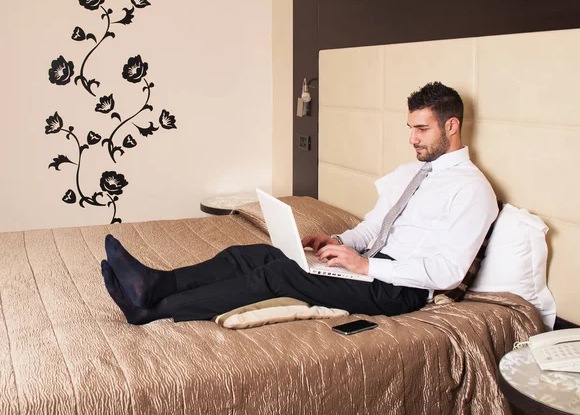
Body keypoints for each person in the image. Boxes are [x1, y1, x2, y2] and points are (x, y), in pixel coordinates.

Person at [101, 81, 498, 325]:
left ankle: (153, 310)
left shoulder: (472, 190)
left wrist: (364, 265)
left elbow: (446, 273)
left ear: (451, 126)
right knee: (250, 254)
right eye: (410, 128)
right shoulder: (410, 172)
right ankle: (157, 283)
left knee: (281, 274)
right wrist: (337, 240)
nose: (412, 139)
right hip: (369, 268)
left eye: (421, 129)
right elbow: (376, 227)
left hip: (401, 289)